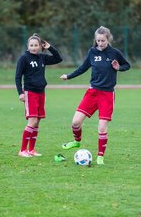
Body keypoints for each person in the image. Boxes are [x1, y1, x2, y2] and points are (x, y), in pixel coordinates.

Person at [60, 26, 130, 165]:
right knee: (75, 122)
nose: (100, 43)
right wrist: (68, 76)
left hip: (107, 95)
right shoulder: (92, 52)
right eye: (98, 40)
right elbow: (83, 68)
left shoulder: (114, 53)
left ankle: (100, 156)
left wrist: (118, 68)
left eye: (103, 40)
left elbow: (127, 65)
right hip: (92, 93)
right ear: (95, 40)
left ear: (108, 39)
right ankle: (76, 142)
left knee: (102, 128)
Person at [15, 33, 62, 157]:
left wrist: (50, 48)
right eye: (31, 45)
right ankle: (22, 150)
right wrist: (20, 93)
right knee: (32, 121)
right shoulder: (24, 58)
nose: (34, 47)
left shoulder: (42, 57)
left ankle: (31, 150)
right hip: (30, 93)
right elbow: (18, 77)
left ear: (40, 46)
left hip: (41, 92)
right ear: (28, 46)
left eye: (36, 45)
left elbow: (58, 58)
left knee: (37, 121)